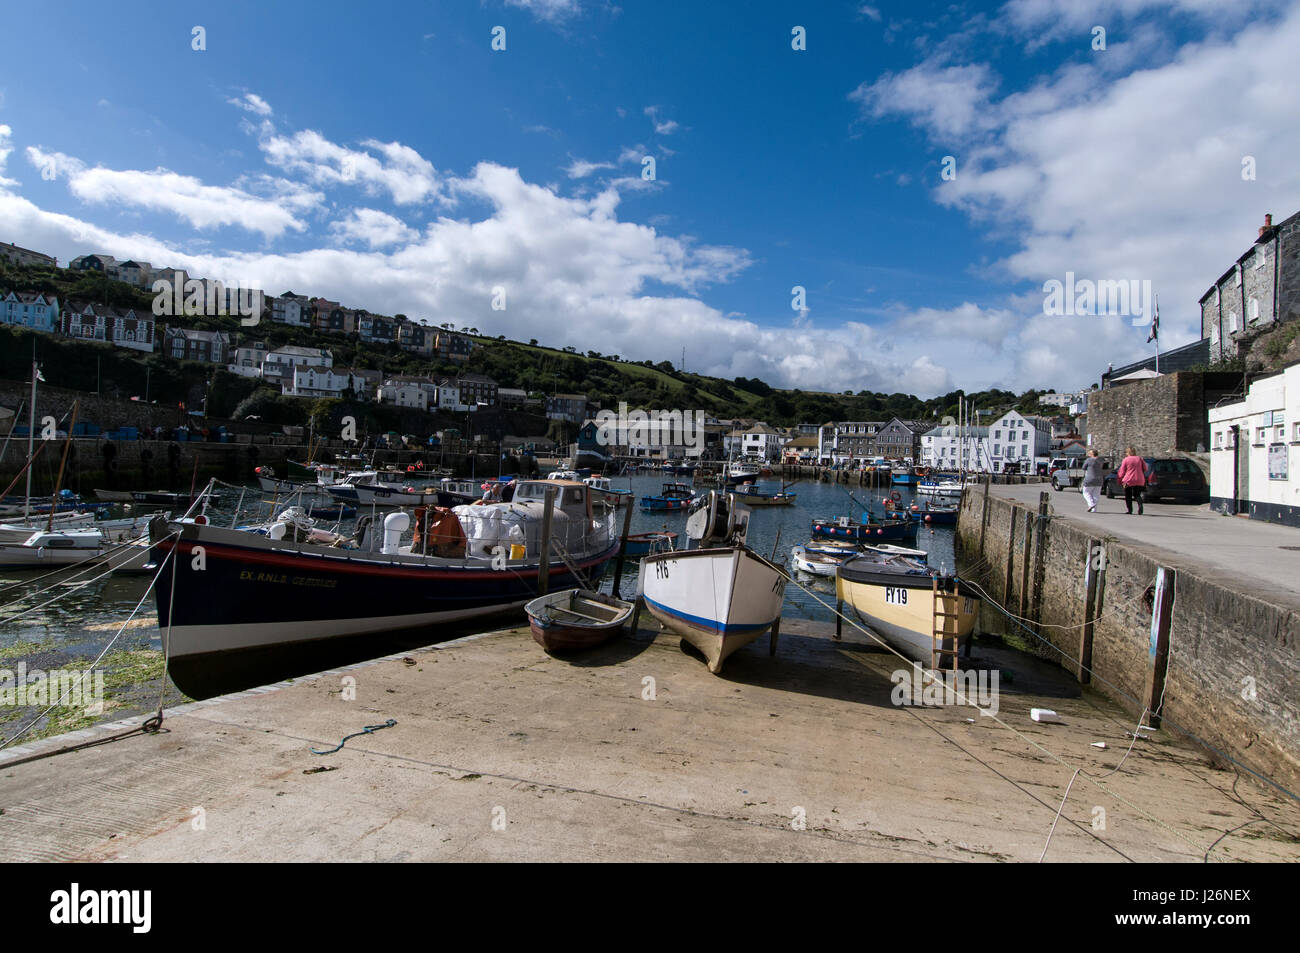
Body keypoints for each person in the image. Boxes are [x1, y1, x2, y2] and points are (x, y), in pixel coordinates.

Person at [1116, 446, 1147, 515]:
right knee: (1137, 494)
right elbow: (1145, 468)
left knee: (1128, 495)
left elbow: (1122, 471)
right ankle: (1140, 505)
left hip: (1128, 480)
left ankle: (1130, 510)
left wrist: (1119, 479)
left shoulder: (1126, 460)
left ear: (1128, 452)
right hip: (1139, 479)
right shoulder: (1140, 459)